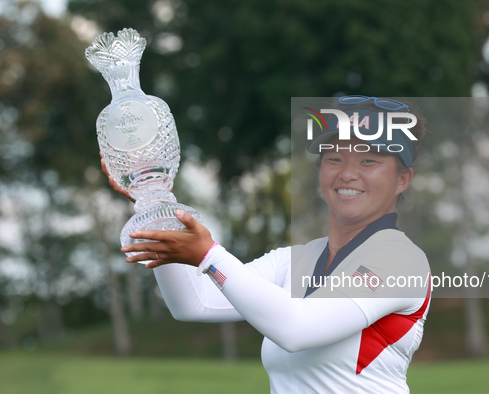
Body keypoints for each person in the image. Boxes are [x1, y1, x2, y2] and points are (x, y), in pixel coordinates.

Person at [102, 95, 431, 393]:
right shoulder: (296, 259)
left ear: (403, 179)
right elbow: (195, 302)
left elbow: (297, 328)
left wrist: (208, 254)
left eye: (368, 161)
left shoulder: (401, 260)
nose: (347, 173)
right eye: (334, 159)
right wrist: (153, 200)